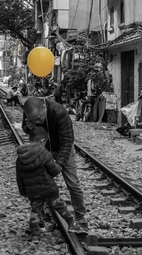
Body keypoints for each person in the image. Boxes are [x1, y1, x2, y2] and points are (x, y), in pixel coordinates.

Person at [22, 96, 88, 232]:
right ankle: (41, 216)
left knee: (73, 184)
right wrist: (28, 127)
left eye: (39, 118)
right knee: (41, 185)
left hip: (64, 147)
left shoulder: (59, 112)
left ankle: (80, 217)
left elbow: (67, 140)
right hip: (43, 148)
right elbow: (26, 128)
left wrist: (60, 164)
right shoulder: (29, 110)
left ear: (44, 108)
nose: (38, 122)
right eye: (34, 120)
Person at [16, 126, 79, 238]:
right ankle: (72, 224)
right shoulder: (44, 153)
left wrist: (23, 192)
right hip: (49, 189)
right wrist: (58, 166)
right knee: (60, 206)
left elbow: (19, 178)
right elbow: (53, 170)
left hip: (33, 192)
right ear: (42, 140)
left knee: (35, 211)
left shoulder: (20, 158)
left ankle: (35, 234)